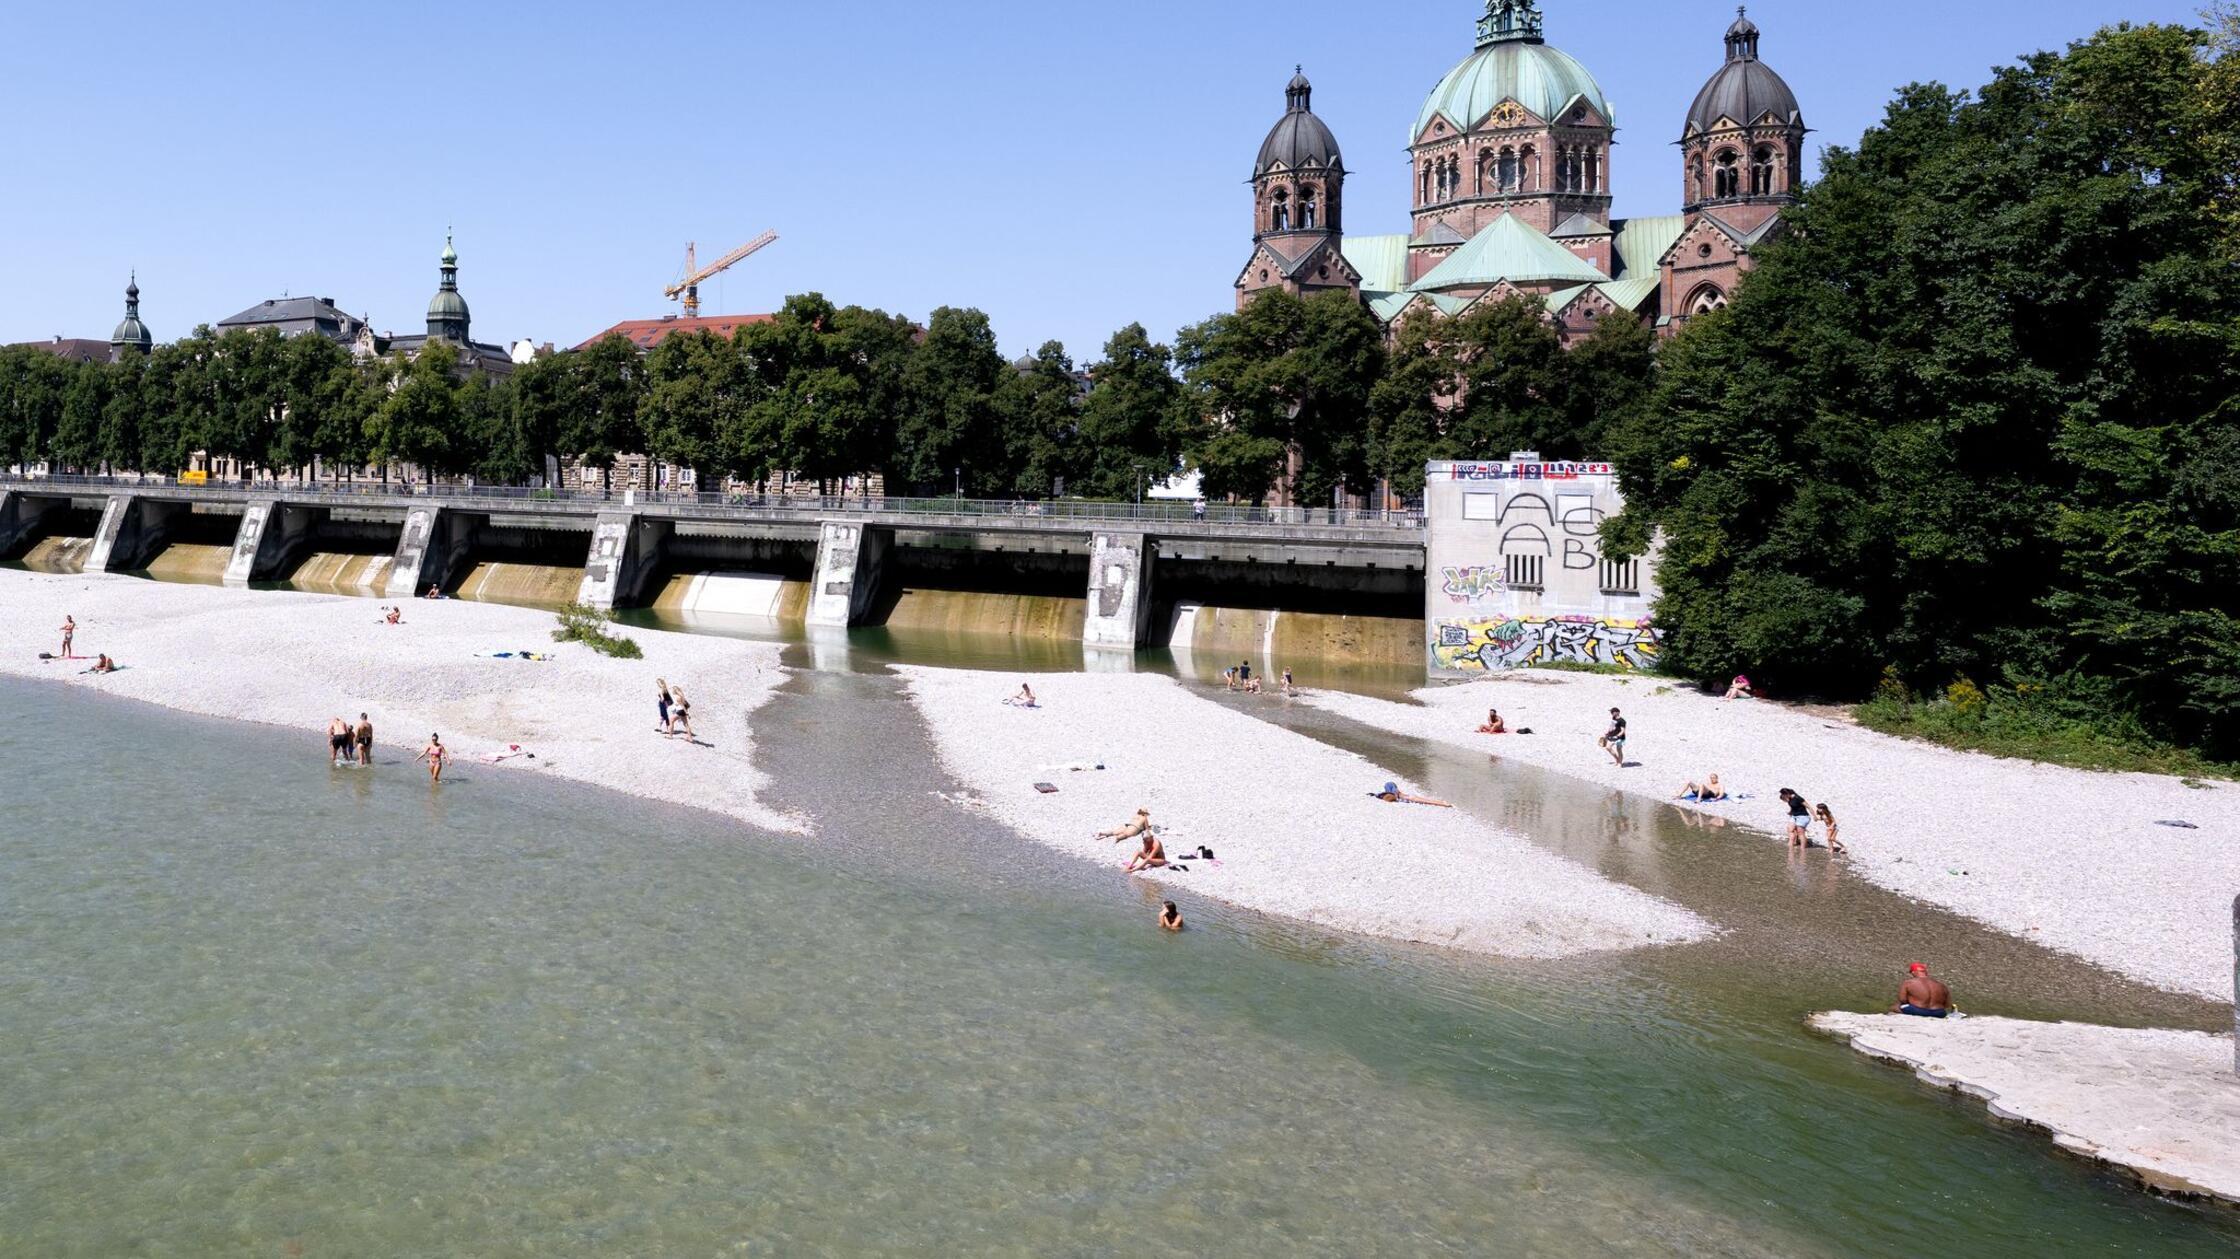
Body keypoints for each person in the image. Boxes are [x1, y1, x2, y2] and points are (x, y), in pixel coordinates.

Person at [1373, 782, 1453, 808]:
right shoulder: (1395, 794)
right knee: (1426, 801)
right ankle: (1442, 803)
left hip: (1408, 797)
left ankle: (1442, 803)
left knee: (1426, 800)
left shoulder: (1397, 796)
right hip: (1409, 797)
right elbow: (1390, 784)